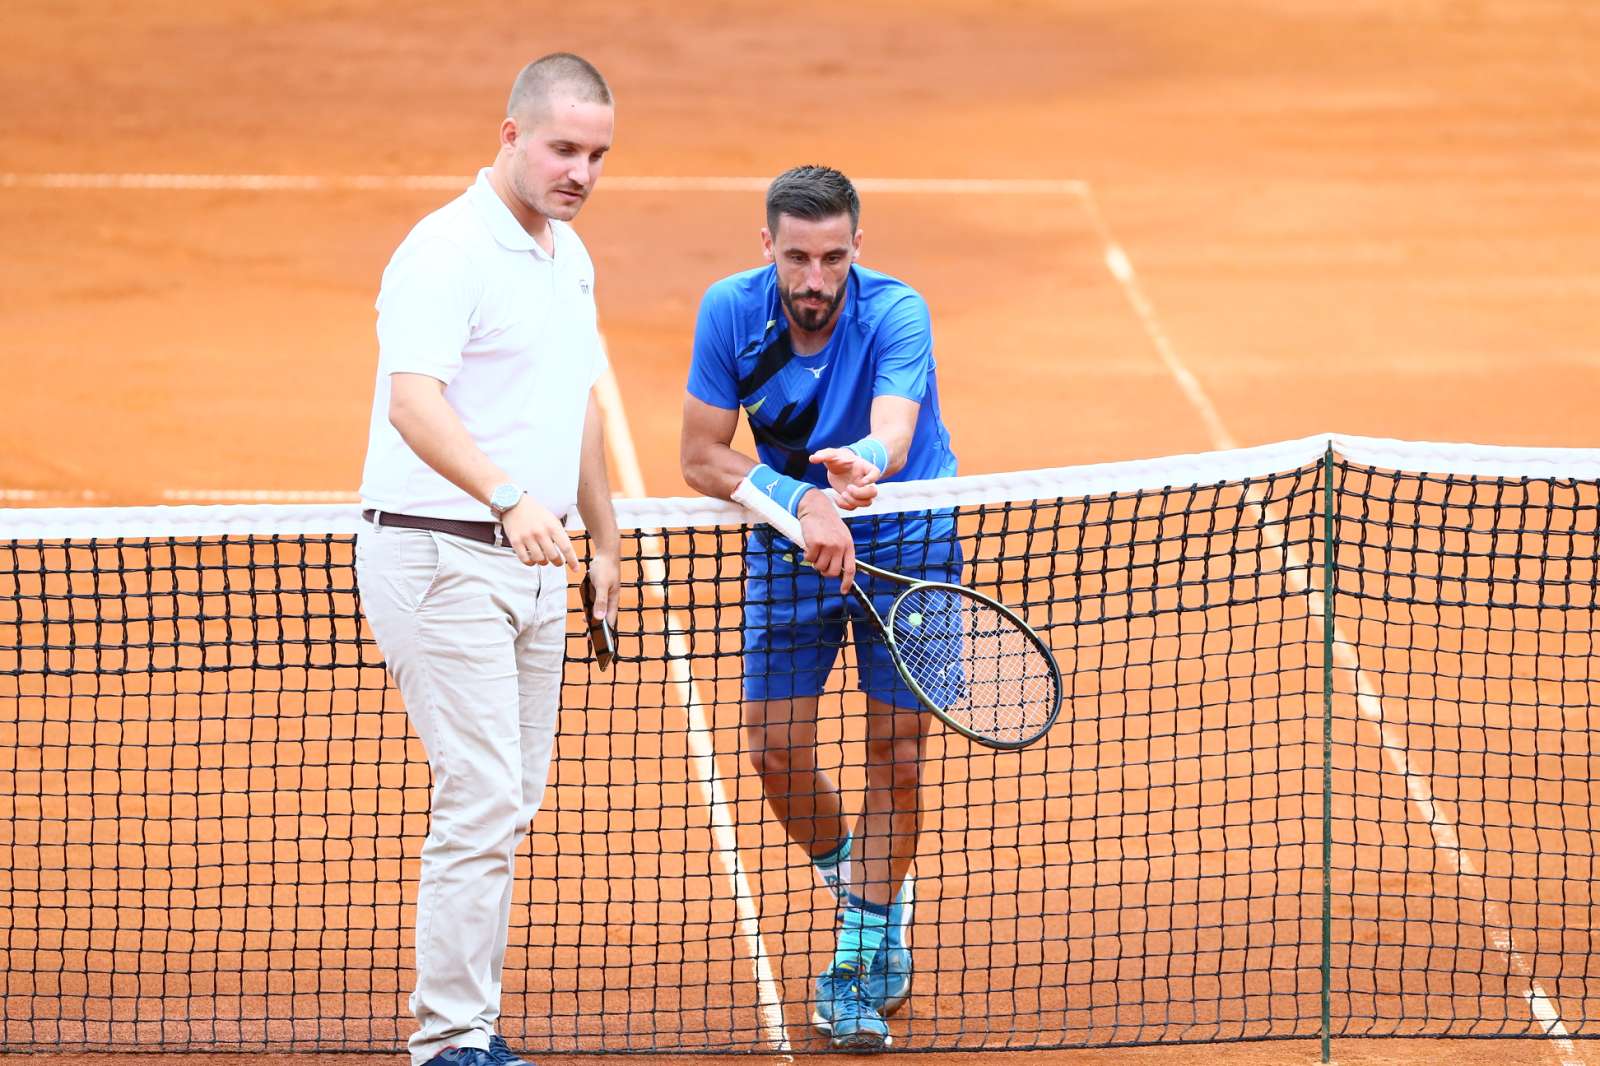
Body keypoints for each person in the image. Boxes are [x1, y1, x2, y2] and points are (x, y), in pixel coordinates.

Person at [354, 53, 620, 1066]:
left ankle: (467, 1025)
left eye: (597, 155)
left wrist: (604, 540)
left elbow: (577, 403)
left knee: (509, 800)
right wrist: (508, 497)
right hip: (440, 555)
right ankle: (450, 1042)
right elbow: (412, 403)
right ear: (511, 136)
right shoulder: (445, 251)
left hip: (537, 562)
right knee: (481, 796)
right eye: (563, 149)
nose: (580, 172)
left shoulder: (567, 254)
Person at [679, 165, 959, 1052]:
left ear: (855, 249)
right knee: (774, 751)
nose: (815, 278)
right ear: (767, 246)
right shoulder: (731, 312)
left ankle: (861, 953)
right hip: (794, 535)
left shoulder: (896, 310)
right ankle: (873, 893)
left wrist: (862, 463)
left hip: (904, 539)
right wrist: (802, 499)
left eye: (833, 258)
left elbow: (895, 428)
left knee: (898, 759)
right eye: (797, 257)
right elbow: (700, 456)